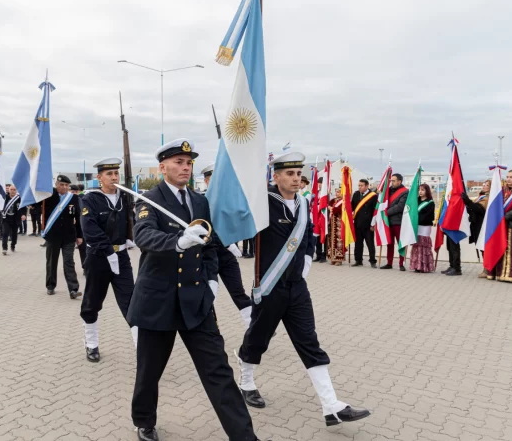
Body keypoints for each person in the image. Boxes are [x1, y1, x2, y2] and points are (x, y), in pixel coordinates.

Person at [128, 139, 267, 441]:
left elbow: (211, 246)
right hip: (158, 302)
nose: (185, 167)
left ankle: (244, 436)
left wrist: (212, 279)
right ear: (162, 167)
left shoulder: (200, 201)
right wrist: (178, 241)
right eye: (178, 162)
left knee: (218, 371)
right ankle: (144, 420)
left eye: (188, 162)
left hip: (196, 301)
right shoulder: (148, 199)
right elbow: (144, 235)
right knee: (149, 371)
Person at [236, 152, 371, 429]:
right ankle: (246, 381)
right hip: (270, 287)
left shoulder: (303, 202)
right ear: (276, 177)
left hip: (297, 288)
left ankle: (331, 406)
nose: (296, 179)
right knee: (258, 339)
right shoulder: (262, 203)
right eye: (290, 174)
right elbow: (239, 224)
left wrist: (308, 257)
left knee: (309, 342)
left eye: (298, 174)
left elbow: (308, 234)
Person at [80, 158, 137, 363]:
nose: (114, 177)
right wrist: (107, 250)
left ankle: (141, 346)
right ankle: (91, 343)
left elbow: (133, 220)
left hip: (121, 257)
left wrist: (132, 238)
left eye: (116, 173)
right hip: (98, 257)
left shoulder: (125, 197)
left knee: (132, 301)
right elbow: (90, 229)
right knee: (93, 301)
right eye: (109, 174)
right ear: (99, 178)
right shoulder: (90, 199)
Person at [201, 162, 254, 329]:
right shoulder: (200, 202)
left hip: (226, 255)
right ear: (207, 181)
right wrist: (227, 241)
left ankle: (252, 323)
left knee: (237, 290)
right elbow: (204, 229)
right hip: (207, 256)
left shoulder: (228, 201)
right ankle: (210, 326)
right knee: (209, 293)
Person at [42, 175, 83, 298]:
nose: (64, 187)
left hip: (69, 236)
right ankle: (50, 286)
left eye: (66, 185)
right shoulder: (48, 196)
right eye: (61, 185)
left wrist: (79, 236)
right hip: (52, 236)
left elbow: (78, 218)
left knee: (69, 262)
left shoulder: (74, 199)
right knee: (51, 262)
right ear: (56, 185)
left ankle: (73, 289)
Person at [462, 180, 489, 278]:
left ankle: (487, 269)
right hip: (476, 224)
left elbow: (478, 209)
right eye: (484, 184)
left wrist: (468, 201)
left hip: (482, 226)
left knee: (484, 248)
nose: (484, 186)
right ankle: (486, 268)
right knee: (482, 248)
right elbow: (473, 208)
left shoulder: (487, 198)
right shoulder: (481, 196)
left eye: (486, 185)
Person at [380, 174, 408, 271]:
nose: (392, 182)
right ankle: (389, 263)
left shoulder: (405, 192)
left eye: (394, 180)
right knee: (389, 243)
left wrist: (386, 213)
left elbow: (400, 207)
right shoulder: (387, 191)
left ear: (399, 181)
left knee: (401, 243)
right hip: (388, 222)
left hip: (398, 221)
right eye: (391, 180)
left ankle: (401, 263)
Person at [351, 178, 377, 267]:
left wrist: (373, 224)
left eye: (361, 186)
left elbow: (375, 211)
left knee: (370, 243)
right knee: (358, 243)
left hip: (368, 224)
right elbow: (352, 207)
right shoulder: (356, 194)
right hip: (357, 223)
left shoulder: (373, 196)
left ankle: (372, 261)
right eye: (359, 185)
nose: (359, 187)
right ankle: (358, 260)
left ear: (367, 186)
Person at [410, 184, 435, 273]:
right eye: (419, 190)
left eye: (423, 190)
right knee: (416, 246)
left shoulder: (430, 203)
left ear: (427, 191)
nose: (420, 192)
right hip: (416, 226)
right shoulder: (416, 201)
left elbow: (429, 216)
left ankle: (424, 266)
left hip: (424, 226)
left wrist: (418, 218)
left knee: (423, 245)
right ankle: (417, 265)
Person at [1, 185, 26, 255]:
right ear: (8, 190)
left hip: (15, 219)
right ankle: (4, 248)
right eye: (11, 189)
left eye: (14, 190)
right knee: (5, 233)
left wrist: (23, 214)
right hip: (6, 219)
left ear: (16, 191)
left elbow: (23, 207)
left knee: (14, 234)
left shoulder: (19, 198)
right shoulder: (4, 198)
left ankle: (13, 245)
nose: (12, 191)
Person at [327, 195, 345, 265]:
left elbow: (336, 209)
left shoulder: (343, 201)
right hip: (332, 223)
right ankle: (332, 258)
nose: (337, 193)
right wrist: (329, 207)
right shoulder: (332, 200)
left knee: (339, 241)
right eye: (336, 191)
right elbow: (328, 205)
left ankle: (339, 259)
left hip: (339, 223)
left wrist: (331, 208)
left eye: (339, 191)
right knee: (331, 240)